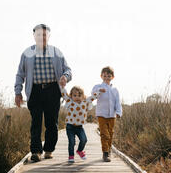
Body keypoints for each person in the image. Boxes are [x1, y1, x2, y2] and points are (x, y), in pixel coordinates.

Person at [14, 24, 72, 162]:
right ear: (34, 36)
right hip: (34, 90)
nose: (42, 37)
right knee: (36, 122)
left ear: (49, 36)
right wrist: (18, 92)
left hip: (53, 90)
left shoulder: (56, 52)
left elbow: (68, 70)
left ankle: (48, 150)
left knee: (52, 122)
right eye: (39, 35)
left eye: (45, 35)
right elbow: (20, 74)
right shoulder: (27, 53)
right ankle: (35, 151)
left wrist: (65, 77)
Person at [60, 85, 106, 163]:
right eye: (74, 95)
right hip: (70, 126)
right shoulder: (70, 101)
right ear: (71, 96)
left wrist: (99, 91)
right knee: (71, 142)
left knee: (84, 140)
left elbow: (93, 97)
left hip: (79, 127)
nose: (77, 97)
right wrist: (62, 86)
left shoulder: (85, 102)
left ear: (83, 96)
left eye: (79, 95)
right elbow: (64, 94)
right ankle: (71, 156)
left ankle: (80, 151)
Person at [91, 66, 122, 162]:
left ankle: (108, 151)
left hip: (111, 115)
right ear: (101, 76)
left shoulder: (115, 90)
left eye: (109, 76)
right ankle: (105, 153)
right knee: (104, 134)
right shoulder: (98, 87)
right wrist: (99, 91)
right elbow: (93, 95)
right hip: (101, 114)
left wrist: (118, 112)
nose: (106, 78)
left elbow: (117, 102)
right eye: (104, 76)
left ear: (112, 77)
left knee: (111, 133)